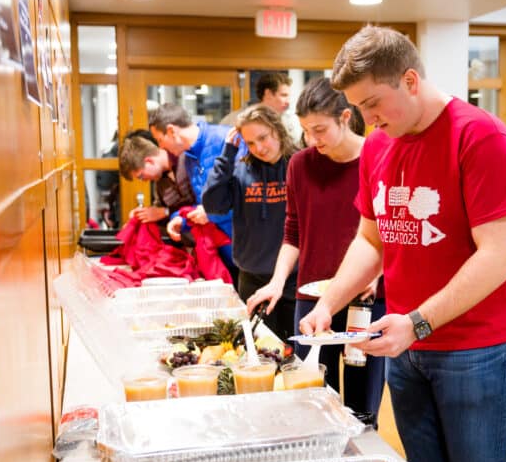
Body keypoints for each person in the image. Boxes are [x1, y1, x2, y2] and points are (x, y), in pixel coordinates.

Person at [300, 26, 506, 462]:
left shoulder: (481, 139)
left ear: (410, 80)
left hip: (480, 350)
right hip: (409, 350)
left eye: (373, 103)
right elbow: (371, 239)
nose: (366, 119)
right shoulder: (380, 144)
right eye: (356, 108)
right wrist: (329, 301)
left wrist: (420, 322)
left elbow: (499, 256)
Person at [246, 77, 386, 422]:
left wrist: (377, 273)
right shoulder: (301, 164)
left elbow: (389, 231)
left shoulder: (377, 157)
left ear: (345, 118)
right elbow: (293, 231)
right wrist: (278, 281)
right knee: (313, 400)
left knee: (359, 408)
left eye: (320, 129)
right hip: (312, 298)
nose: (312, 139)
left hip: (364, 300)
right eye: (307, 130)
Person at [203, 105, 300, 339]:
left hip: (294, 278)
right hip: (251, 277)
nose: (259, 148)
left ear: (277, 130)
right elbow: (213, 205)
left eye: (263, 138)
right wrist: (227, 154)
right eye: (250, 142)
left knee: (293, 354)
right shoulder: (240, 170)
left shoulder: (298, 165)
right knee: (261, 351)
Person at [147, 103, 235, 270]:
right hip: (224, 252)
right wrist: (183, 220)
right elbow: (204, 205)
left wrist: (211, 213)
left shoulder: (227, 140)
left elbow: (251, 197)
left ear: (172, 131)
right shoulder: (188, 159)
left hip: (250, 249)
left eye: (160, 140)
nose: (161, 147)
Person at [117, 129, 196, 240]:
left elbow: (204, 206)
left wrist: (165, 212)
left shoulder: (187, 159)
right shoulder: (159, 183)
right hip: (192, 243)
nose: (143, 180)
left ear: (149, 161)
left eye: (140, 176)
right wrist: (142, 217)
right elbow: (162, 213)